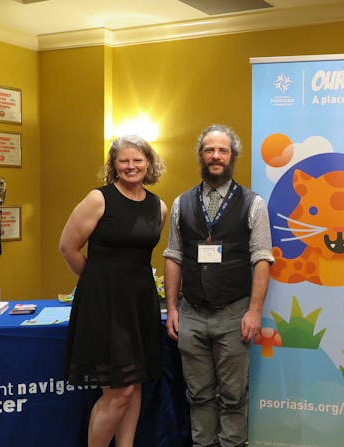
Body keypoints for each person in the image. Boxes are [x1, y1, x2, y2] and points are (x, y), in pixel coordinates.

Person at [163, 123, 273, 447]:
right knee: (197, 396)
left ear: (232, 156)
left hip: (234, 315)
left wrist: (255, 311)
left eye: (222, 150)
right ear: (201, 155)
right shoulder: (182, 203)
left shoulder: (254, 204)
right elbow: (172, 256)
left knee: (233, 398)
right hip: (191, 314)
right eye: (209, 150)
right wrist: (171, 307)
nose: (215, 156)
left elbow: (262, 259)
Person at [60, 135, 168, 447]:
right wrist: (98, 284)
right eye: (124, 160)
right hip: (104, 306)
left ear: (148, 163)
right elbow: (68, 248)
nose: (131, 166)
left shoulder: (158, 207)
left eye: (137, 160)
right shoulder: (99, 199)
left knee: (134, 386)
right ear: (114, 165)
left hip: (139, 306)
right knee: (118, 393)